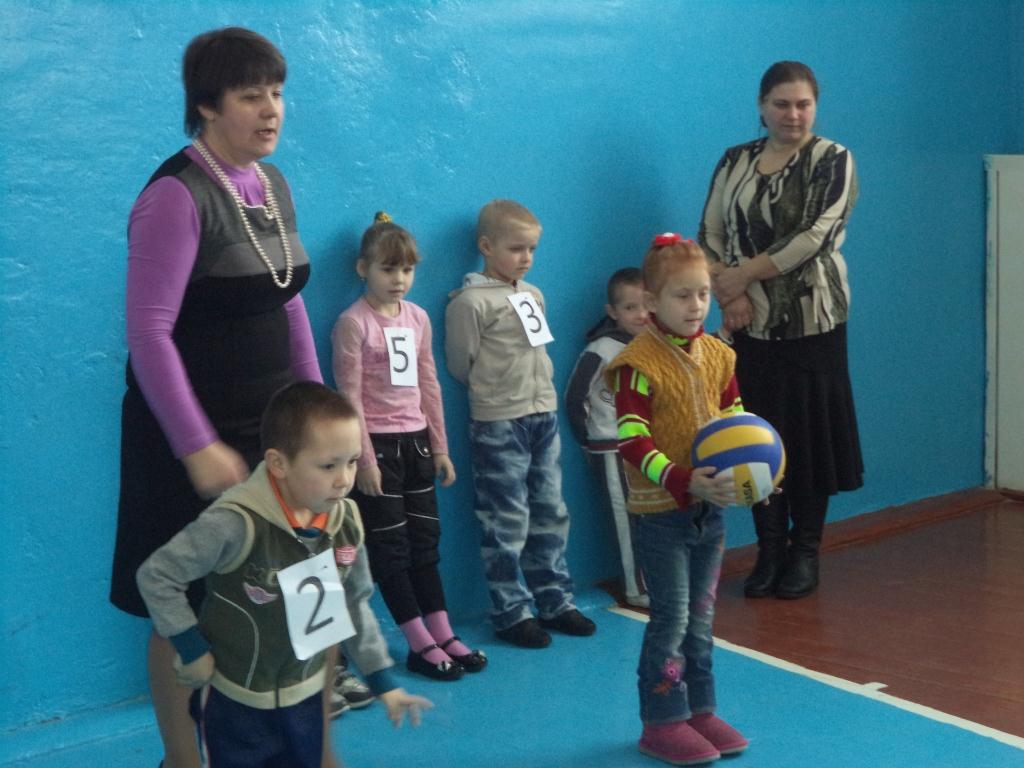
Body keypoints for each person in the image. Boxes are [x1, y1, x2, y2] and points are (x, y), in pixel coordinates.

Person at [108, 28, 325, 768]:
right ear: (206, 106)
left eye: (278, 93)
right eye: (250, 96)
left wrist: (318, 411)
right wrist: (197, 445)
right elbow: (148, 332)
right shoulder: (174, 195)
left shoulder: (274, 183)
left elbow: (287, 300)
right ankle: (183, 759)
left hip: (272, 428)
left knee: (293, 588)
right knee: (188, 604)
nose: (272, 110)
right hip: (190, 438)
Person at [137, 382, 432, 768]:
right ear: (278, 464)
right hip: (234, 703)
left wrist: (382, 681)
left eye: (352, 461)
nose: (344, 479)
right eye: (328, 465)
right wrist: (192, 648)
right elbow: (157, 575)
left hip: (305, 699)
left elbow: (353, 605)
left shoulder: (345, 521)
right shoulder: (235, 523)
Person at [698, 60, 863, 600]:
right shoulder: (735, 159)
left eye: (803, 104)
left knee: (809, 438)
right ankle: (769, 549)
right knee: (756, 438)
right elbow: (710, 232)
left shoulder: (832, 159)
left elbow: (815, 236)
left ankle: (804, 552)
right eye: (782, 104)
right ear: (762, 106)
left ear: (815, 107)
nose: (793, 114)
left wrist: (742, 276)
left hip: (814, 323)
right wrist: (730, 293)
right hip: (747, 323)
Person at [606, 234, 748, 766]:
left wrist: (757, 471)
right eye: (682, 296)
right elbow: (632, 441)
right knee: (671, 618)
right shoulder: (637, 364)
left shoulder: (719, 356)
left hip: (710, 513)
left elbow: (735, 420)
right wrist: (684, 480)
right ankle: (662, 721)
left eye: (703, 294)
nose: (696, 306)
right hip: (660, 516)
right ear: (651, 301)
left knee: (702, 619)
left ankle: (700, 710)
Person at [332, 212, 487, 681]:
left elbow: (429, 383)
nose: (399, 279)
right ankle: (419, 643)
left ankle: (443, 633)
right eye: (388, 269)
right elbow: (348, 396)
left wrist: (439, 447)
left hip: (417, 444)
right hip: (378, 450)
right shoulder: (353, 323)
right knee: (391, 548)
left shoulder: (417, 318)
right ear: (363, 269)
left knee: (425, 544)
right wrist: (363, 458)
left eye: (407, 269)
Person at [445, 199, 596, 648]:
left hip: (542, 414)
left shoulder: (533, 295)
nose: (526, 258)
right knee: (505, 518)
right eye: (516, 249)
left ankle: (555, 600)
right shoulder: (470, 303)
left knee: (550, 509)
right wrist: (495, 392)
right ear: (486, 247)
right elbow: (460, 364)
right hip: (499, 421)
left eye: (531, 249)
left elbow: (538, 349)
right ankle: (511, 611)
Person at [565, 267, 650, 608]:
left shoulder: (657, 345)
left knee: (653, 517)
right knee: (625, 520)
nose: (641, 314)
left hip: (649, 448)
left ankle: (658, 579)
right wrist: (587, 442)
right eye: (630, 307)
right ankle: (635, 588)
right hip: (611, 448)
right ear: (612, 312)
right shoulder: (601, 349)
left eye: (646, 305)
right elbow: (575, 397)